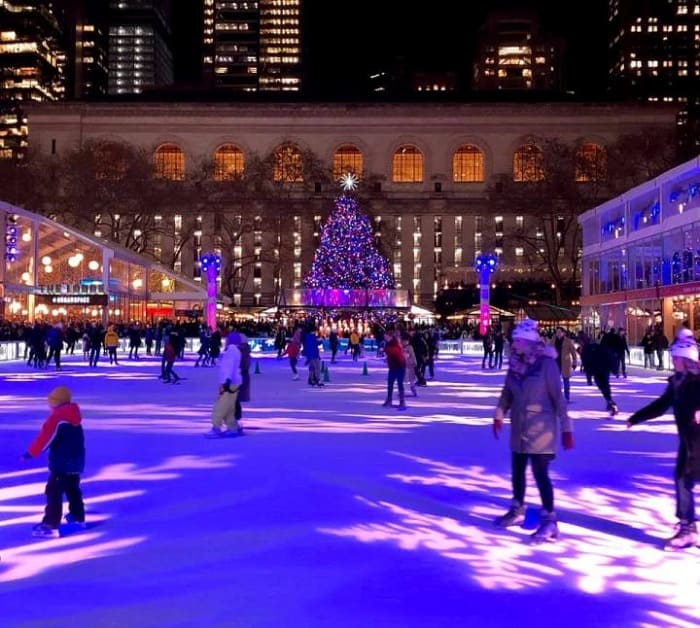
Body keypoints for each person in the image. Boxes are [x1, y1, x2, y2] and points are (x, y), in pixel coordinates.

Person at [492, 318, 574, 544]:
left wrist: (567, 429)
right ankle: (517, 509)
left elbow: (559, 398)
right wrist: (500, 413)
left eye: (517, 340)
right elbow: (507, 392)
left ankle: (550, 520)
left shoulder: (546, 364)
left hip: (541, 430)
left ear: (528, 342)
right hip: (519, 427)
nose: (514, 343)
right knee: (517, 470)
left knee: (540, 474)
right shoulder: (515, 363)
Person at [627, 334, 700, 550]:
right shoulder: (677, 383)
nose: (672, 360)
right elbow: (660, 406)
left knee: (684, 480)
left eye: (675, 357)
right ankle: (687, 525)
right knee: (682, 479)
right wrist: (636, 418)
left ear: (686, 359)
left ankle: (688, 528)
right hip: (688, 441)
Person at [20, 386, 86, 537]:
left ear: (56, 402)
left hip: (62, 463)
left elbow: (46, 438)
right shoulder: (74, 415)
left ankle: (50, 524)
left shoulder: (57, 418)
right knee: (72, 490)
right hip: (76, 461)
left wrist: (30, 453)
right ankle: (78, 518)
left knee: (53, 492)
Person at [207, 331, 243, 437]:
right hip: (233, 382)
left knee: (221, 405)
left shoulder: (231, 350)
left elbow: (229, 366)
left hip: (229, 383)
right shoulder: (235, 350)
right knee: (229, 407)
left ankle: (216, 427)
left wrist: (227, 380)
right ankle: (232, 427)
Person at [579, 331, 618, 416]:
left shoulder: (588, 349)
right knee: (604, 385)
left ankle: (609, 401)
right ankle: (609, 400)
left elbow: (586, 363)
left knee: (603, 385)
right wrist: (614, 370)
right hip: (602, 369)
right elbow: (611, 358)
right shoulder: (601, 347)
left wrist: (588, 377)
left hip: (599, 370)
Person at [382, 328, 407, 410]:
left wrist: (386, 351)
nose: (385, 338)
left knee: (400, 383)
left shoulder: (395, 343)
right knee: (390, 383)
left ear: (390, 337)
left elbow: (396, 352)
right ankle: (389, 400)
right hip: (392, 367)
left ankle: (402, 401)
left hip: (400, 366)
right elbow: (390, 353)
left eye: (386, 337)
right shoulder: (388, 344)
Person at [553, 326, 578, 402]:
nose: (558, 334)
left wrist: (574, 362)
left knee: (566, 380)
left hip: (565, 363)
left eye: (560, 332)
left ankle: (567, 398)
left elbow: (573, 353)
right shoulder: (553, 340)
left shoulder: (568, 341)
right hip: (555, 363)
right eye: (557, 332)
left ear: (563, 333)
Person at [235, 333, 251, 427]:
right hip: (242, 376)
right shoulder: (244, 350)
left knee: (235, 399)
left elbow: (244, 365)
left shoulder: (241, 351)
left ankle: (235, 420)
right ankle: (236, 419)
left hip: (240, 376)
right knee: (235, 399)